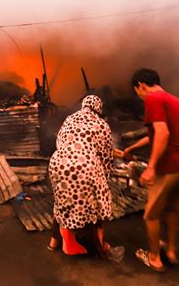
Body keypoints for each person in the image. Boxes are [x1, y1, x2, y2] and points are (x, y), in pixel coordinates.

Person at [124, 68, 179, 272]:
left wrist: (151, 167)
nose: (139, 96)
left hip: (170, 166)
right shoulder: (174, 100)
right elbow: (159, 133)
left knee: (151, 215)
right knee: (172, 209)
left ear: (141, 85)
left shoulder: (153, 100)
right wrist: (133, 147)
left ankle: (154, 257)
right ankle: (171, 251)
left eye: (137, 91)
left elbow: (163, 133)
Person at [47, 95, 121, 260]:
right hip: (84, 166)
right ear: (98, 108)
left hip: (58, 162)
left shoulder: (70, 119)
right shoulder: (101, 124)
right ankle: (99, 245)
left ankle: (55, 241)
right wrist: (106, 174)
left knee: (61, 202)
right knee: (94, 203)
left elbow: (59, 142)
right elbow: (106, 155)